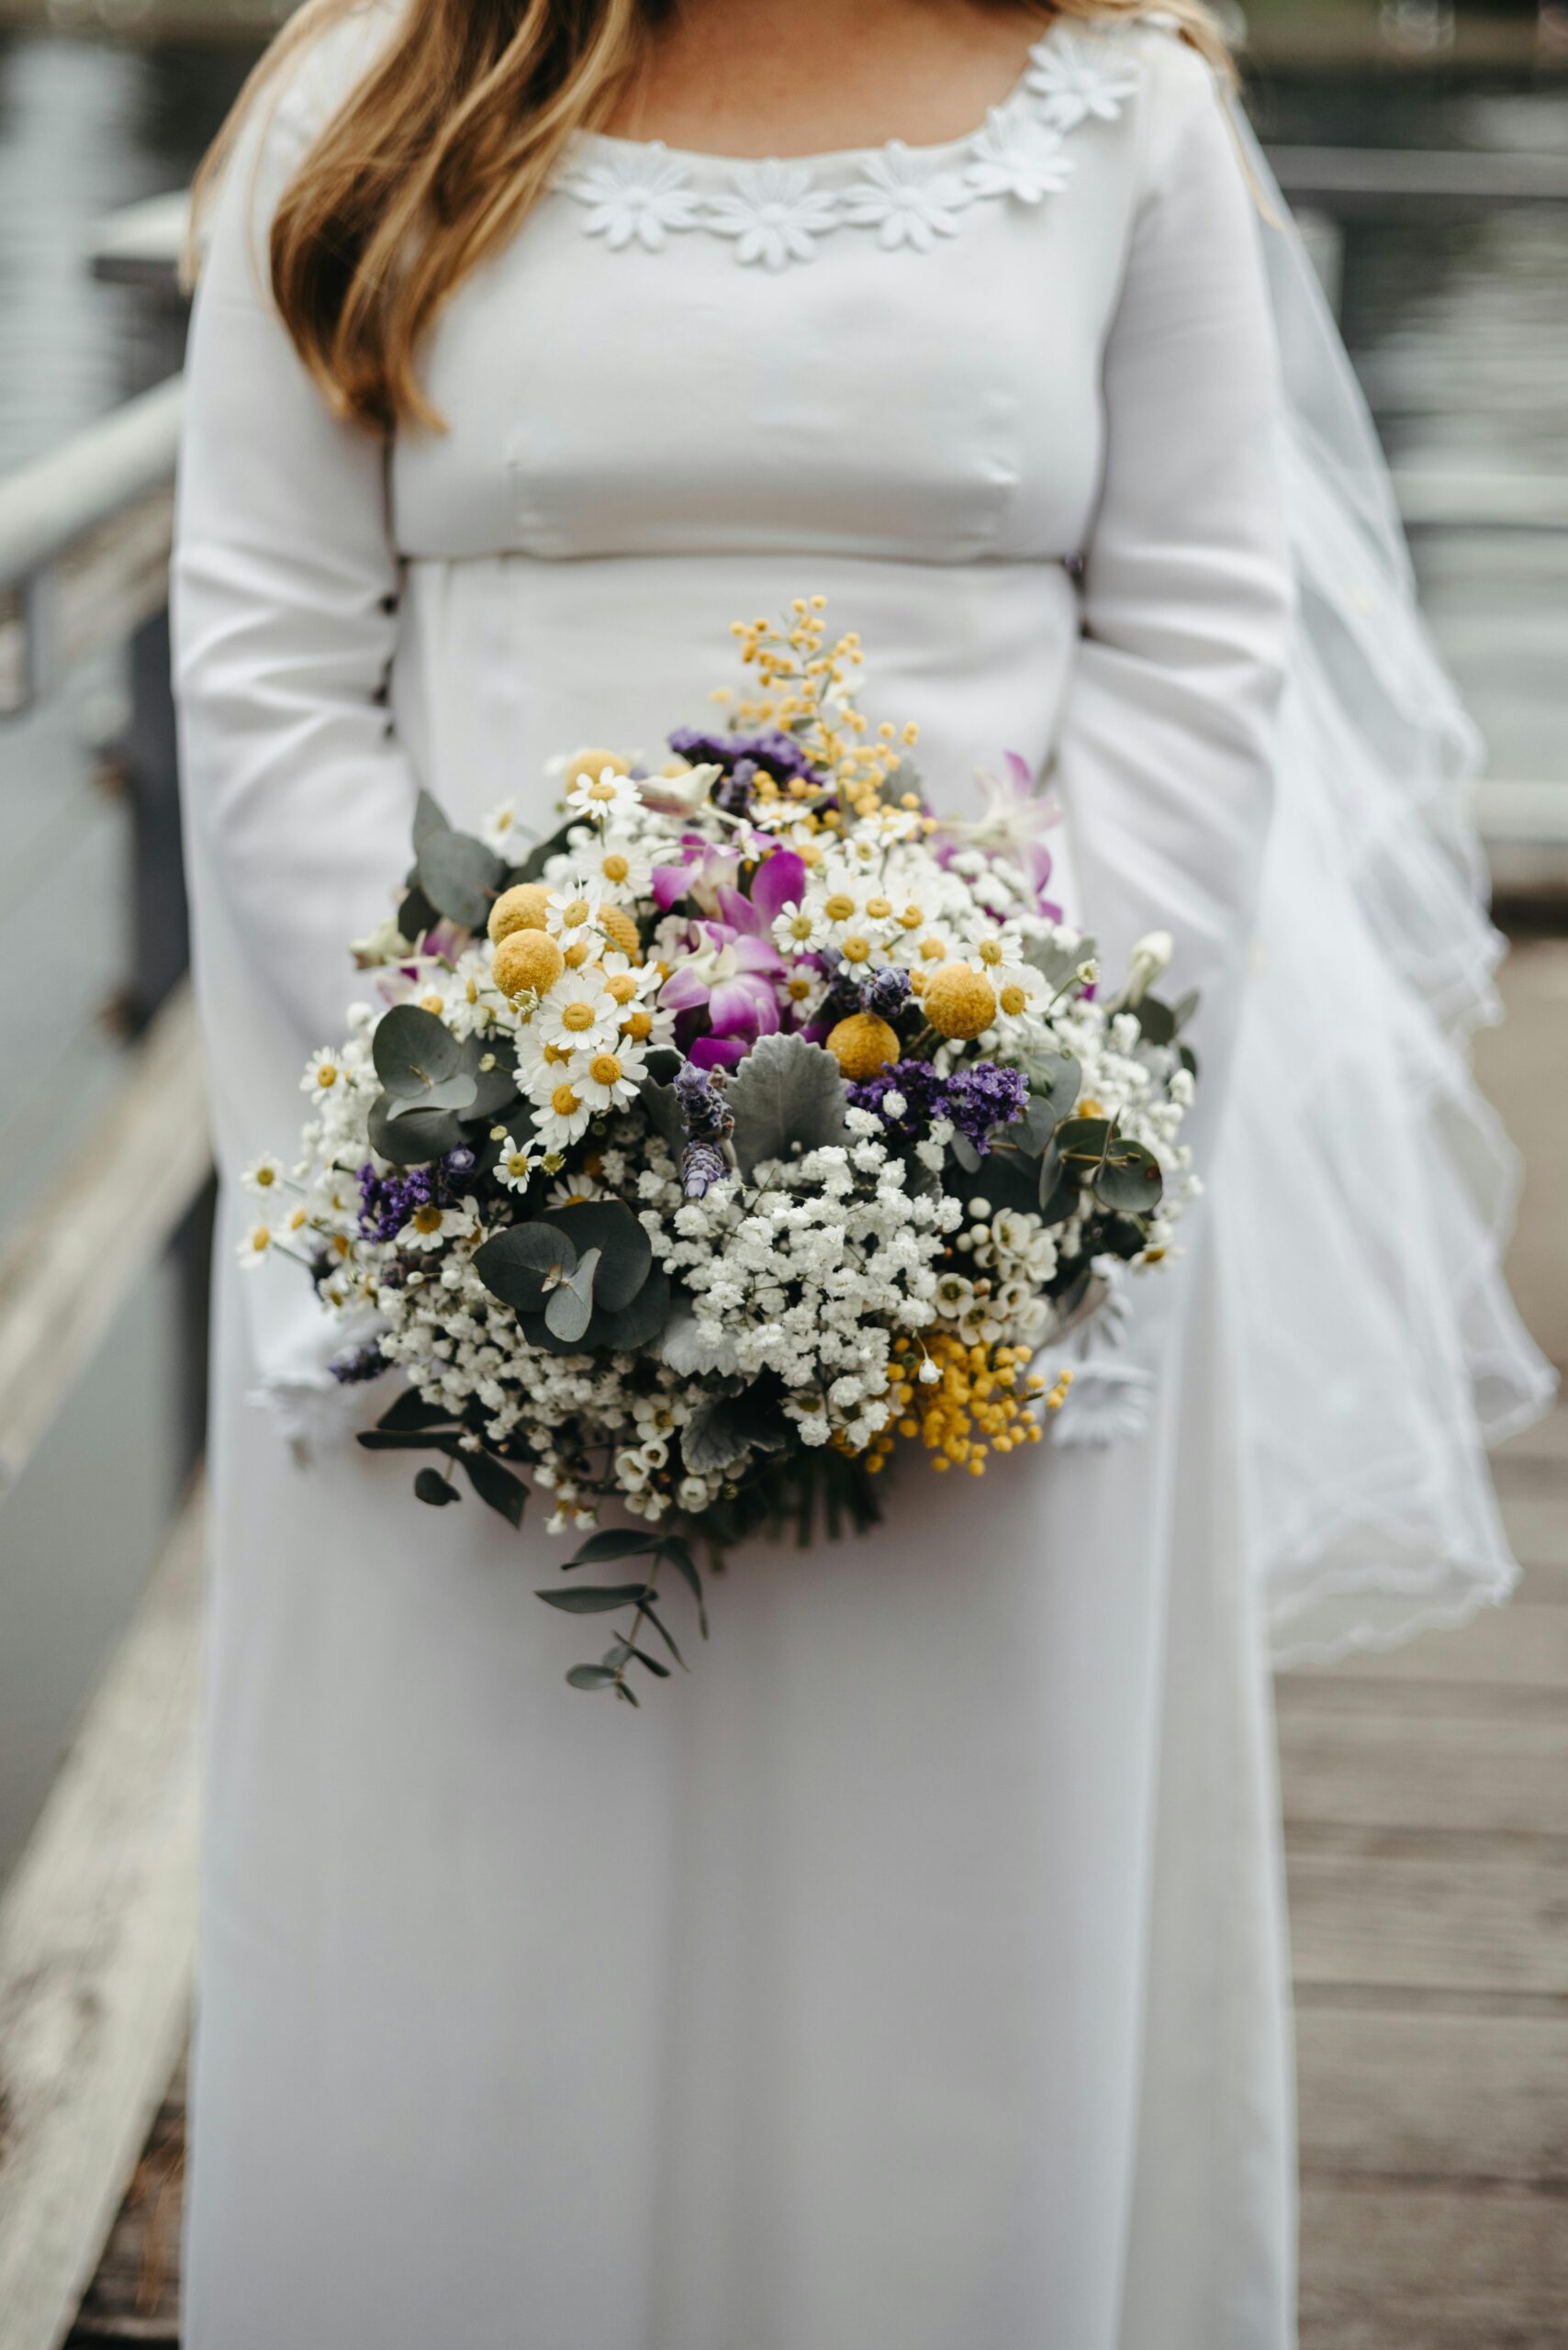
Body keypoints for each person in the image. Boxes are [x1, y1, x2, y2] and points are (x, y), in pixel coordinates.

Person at [171, 2, 1551, 2342]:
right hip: (467, 1199)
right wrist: (494, 1117)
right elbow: (270, 662)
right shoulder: (367, 98)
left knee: (941, 1939)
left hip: (985, 1192)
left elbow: (1204, 643)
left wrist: (1010, 1128)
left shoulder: (1130, 118)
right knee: (485, 1917)